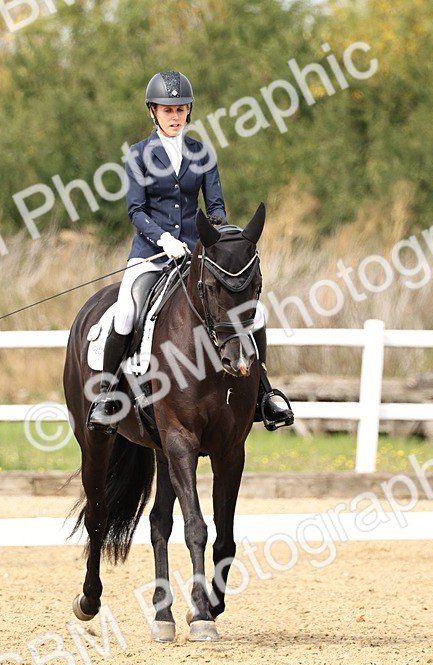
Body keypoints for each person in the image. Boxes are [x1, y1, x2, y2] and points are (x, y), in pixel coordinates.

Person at [87, 70, 295, 433]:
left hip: (197, 257)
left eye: (180, 109)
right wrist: (163, 239)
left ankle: (263, 392)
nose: (175, 116)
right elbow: (136, 210)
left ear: (189, 111)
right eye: (167, 110)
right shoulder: (138, 155)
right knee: (125, 313)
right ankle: (107, 396)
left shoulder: (202, 153)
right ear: (153, 111)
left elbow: (215, 208)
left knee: (254, 312)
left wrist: (219, 238)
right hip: (151, 255)